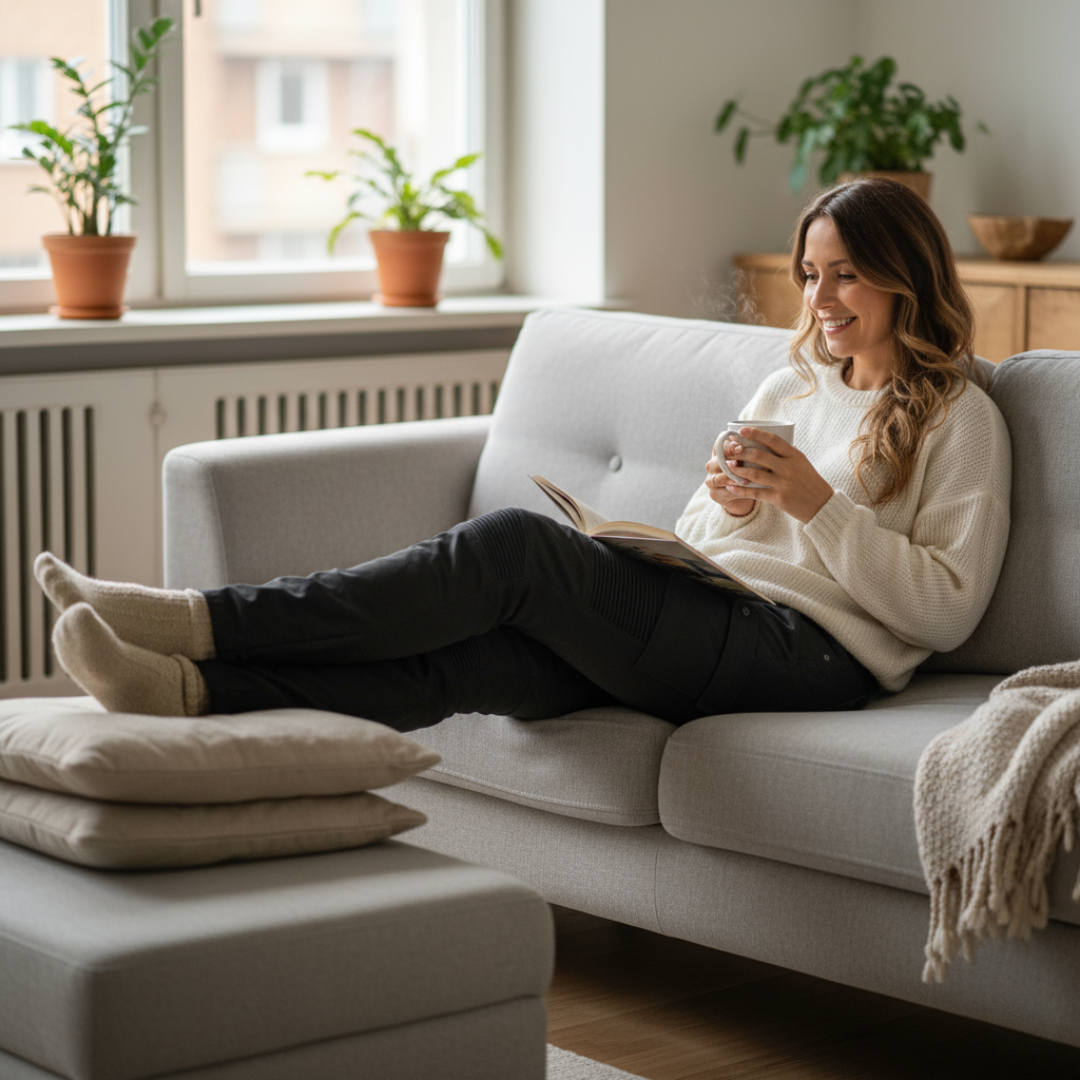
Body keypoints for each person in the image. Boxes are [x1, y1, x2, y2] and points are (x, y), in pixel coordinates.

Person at [36, 178, 1011, 730]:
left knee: (511, 548)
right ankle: (189, 689)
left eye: (845, 274)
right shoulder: (791, 386)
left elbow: (948, 609)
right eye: (809, 274)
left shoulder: (958, 416)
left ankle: (201, 619)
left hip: (815, 655)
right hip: (718, 613)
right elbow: (706, 536)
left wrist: (813, 506)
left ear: (902, 277)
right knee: (478, 665)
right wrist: (731, 503)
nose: (821, 297)